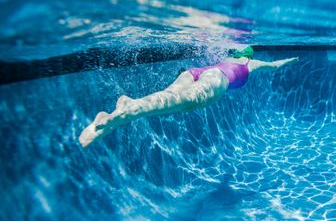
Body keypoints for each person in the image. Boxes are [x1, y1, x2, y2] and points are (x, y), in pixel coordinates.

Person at [79, 47, 298, 147]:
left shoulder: (223, 57)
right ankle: (130, 111)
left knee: (169, 96)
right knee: (184, 102)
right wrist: (289, 61)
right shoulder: (250, 63)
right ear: (248, 55)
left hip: (194, 72)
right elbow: (274, 66)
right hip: (217, 78)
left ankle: (130, 105)